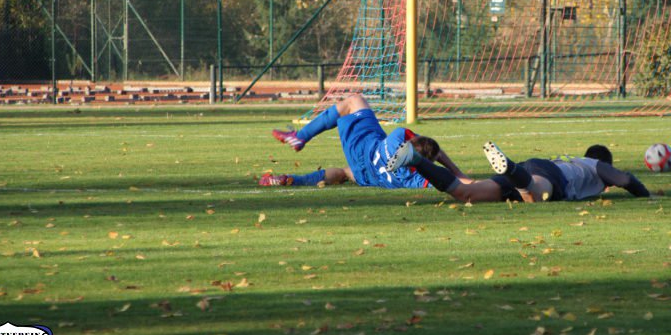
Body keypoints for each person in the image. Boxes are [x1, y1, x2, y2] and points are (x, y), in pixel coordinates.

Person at [263, 93, 468, 189]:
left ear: (410, 143)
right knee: (344, 173)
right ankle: (294, 179)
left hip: (363, 147)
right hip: (369, 175)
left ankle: (300, 136)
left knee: (354, 101)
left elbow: (432, 149)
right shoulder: (412, 180)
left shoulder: (398, 136)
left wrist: (456, 170)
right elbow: (450, 182)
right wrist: (462, 177)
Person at [385, 140, 650, 203]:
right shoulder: (592, 165)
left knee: (466, 193)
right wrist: (647, 196)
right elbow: (625, 179)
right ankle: (509, 167)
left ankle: (416, 160)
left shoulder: (572, 161)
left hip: (533, 167)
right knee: (536, 193)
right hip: (548, 175)